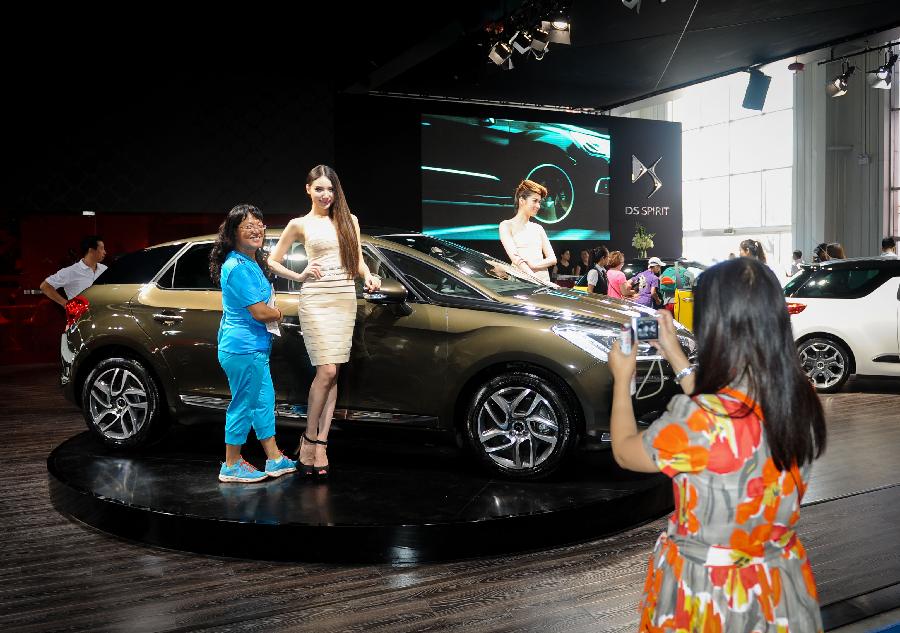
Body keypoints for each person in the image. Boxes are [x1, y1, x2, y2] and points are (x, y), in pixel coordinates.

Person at [607, 257, 827, 632]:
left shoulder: (697, 420)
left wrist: (622, 380)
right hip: (779, 583)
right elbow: (731, 416)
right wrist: (675, 355)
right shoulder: (799, 398)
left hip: (709, 592)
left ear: (714, 326)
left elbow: (626, 451)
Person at [268, 165, 380, 479]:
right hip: (316, 300)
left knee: (334, 376)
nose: (325, 195)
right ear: (308, 190)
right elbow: (272, 260)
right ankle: (306, 438)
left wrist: (369, 276)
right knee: (326, 370)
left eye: (330, 189)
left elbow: (356, 260)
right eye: (319, 189)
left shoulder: (349, 220)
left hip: (344, 298)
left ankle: (321, 443)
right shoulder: (299, 224)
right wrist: (299, 275)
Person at [209, 204, 297, 483]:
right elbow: (260, 312)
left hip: (255, 347)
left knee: (263, 402)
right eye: (248, 225)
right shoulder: (236, 267)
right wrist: (279, 313)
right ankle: (231, 464)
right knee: (243, 404)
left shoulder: (250, 262)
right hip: (242, 347)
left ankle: (274, 459)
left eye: (259, 224)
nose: (256, 229)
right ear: (233, 233)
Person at [499, 180, 557, 283]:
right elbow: (516, 259)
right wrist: (537, 281)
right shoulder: (506, 225)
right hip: (521, 284)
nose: (538, 206)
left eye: (539, 202)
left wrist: (535, 265)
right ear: (522, 200)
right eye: (535, 201)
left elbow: (553, 259)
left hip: (543, 283)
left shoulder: (538, 228)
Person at [40, 235, 107, 307]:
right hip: (81, 317)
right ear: (91, 250)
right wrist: (66, 304)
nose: (105, 252)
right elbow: (45, 286)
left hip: (103, 315)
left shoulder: (105, 269)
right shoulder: (71, 271)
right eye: (102, 248)